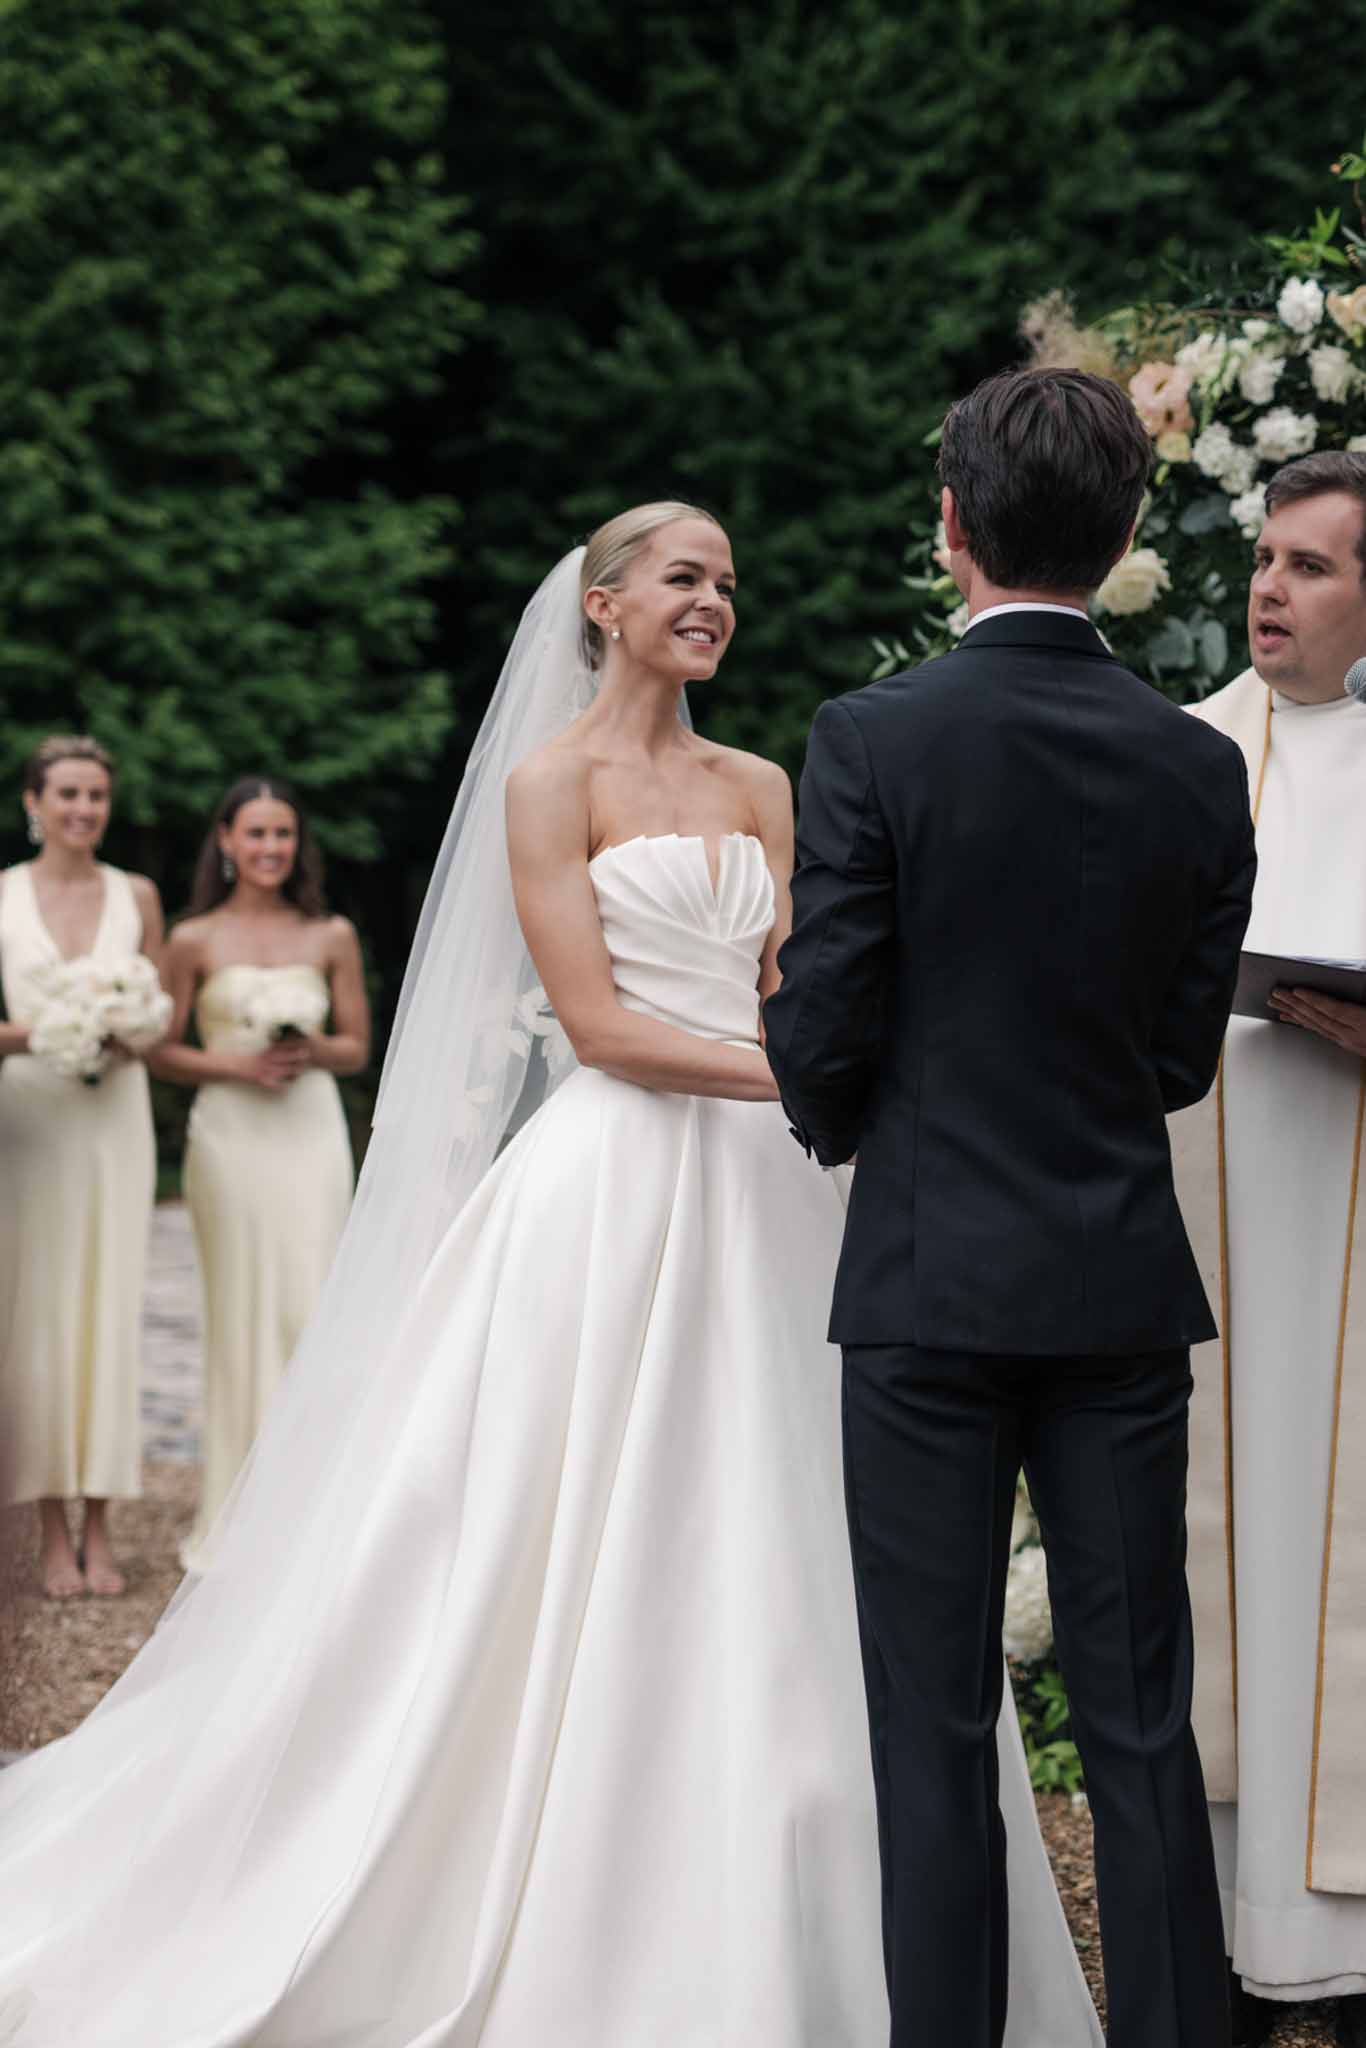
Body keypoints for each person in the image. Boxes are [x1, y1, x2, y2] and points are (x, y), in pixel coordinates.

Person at [0, 505, 1102, 2048]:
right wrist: (804, 1084)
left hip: (779, 1191)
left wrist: (847, 1070)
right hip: (615, 1184)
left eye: (726, 578)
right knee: (555, 1517)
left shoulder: (763, 782)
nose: (714, 599)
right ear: (602, 604)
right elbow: (598, 1027)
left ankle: (806, 1864)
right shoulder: (545, 786)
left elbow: (796, 978)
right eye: (682, 577)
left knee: (790, 1511)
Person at [765, 368, 1257, 2048]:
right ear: (1126, 535)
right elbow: (1181, 1055)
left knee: (932, 1723)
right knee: (1137, 1721)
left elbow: (823, 1022)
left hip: (919, 1285)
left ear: (952, 529)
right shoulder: (1196, 764)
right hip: (1117, 1284)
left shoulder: (870, 736)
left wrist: (855, 1119)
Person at [1170, 450, 1366, 2048]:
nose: (1266, 590)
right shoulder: (1177, 757)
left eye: (1308, 565)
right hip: (1210, 1239)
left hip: (1354, 1233)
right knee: (1226, 1567)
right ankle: (1235, 1943)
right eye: (1261, 558)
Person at [150, 778, 368, 1570]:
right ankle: (239, 1510)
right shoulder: (193, 938)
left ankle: (317, 1506)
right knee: (242, 1312)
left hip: (309, 1132)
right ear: (226, 841)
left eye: (283, 835)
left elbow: (356, 1047)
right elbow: (161, 1048)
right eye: (256, 834)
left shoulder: (331, 934)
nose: (271, 848)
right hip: (231, 1135)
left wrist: (310, 1050)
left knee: (312, 1306)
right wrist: (236, 1067)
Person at [0, 736, 164, 1599]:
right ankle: (48, 1531)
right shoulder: (2, 899)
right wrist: (45, 1032)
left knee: (108, 1308)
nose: (82, 810)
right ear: (34, 800)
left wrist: (128, 1028)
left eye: (96, 795)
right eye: (66, 793)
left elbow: (163, 1020)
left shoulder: (136, 895)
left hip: (114, 1120)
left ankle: (103, 1526)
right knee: (37, 1319)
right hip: (31, 1121)